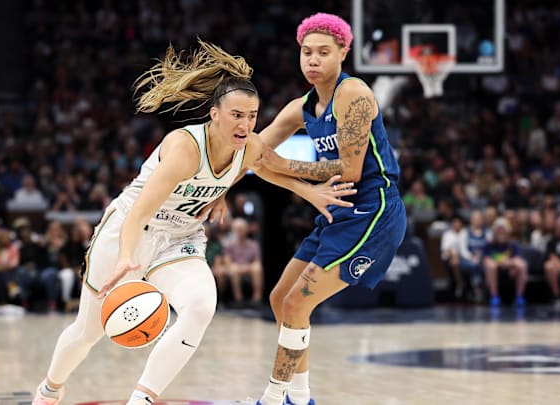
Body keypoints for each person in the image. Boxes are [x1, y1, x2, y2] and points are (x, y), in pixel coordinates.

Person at [32, 40, 356, 405]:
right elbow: (139, 211)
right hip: (131, 229)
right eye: (237, 115)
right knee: (89, 331)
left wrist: (311, 191)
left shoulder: (247, 146)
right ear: (214, 114)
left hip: (180, 236)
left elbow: (274, 169)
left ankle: (142, 400)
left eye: (252, 116)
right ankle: (49, 391)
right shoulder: (185, 148)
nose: (245, 124)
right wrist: (126, 256)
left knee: (201, 305)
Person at [250, 13, 406, 405]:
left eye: (323, 52)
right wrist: (219, 189)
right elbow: (253, 154)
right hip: (336, 213)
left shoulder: (354, 94)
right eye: (306, 52)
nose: (313, 60)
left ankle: (274, 398)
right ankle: (301, 399)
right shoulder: (300, 107)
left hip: (374, 210)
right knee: (279, 299)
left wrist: (285, 167)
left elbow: (350, 170)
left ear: (343, 53)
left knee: (297, 302)